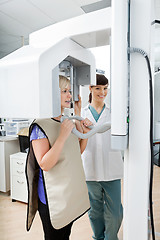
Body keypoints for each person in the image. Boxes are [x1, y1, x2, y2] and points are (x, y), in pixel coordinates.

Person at [25, 75, 92, 240]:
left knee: (65, 236)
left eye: (69, 91)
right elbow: (45, 164)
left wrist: (80, 119)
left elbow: (77, 152)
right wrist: (62, 137)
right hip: (51, 200)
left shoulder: (66, 120)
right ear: (52, 94)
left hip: (67, 196)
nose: (70, 95)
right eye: (65, 91)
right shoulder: (40, 126)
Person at [81, 74, 123, 240]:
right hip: (89, 170)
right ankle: (98, 237)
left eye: (105, 88)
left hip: (112, 169)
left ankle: (110, 238)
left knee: (115, 212)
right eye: (98, 88)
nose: (102, 92)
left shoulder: (114, 113)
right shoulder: (82, 114)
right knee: (94, 211)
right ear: (90, 89)